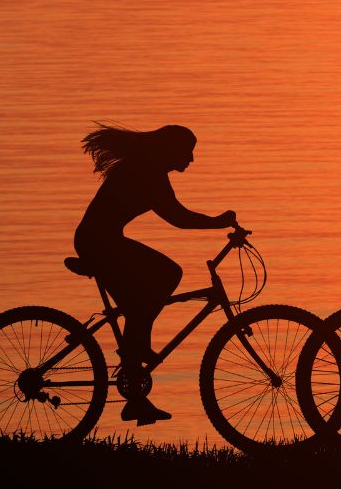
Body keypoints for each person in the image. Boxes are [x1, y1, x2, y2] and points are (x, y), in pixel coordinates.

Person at [74, 123, 237, 426]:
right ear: (170, 150)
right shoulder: (148, 174)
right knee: (164, 276)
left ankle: (135, 367)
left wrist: (216, 222)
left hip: (102, 239)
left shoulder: (149, 172)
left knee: (149, 294)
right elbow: (179, 218)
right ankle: (135, 356)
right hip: (99, 242)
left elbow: (178, 214)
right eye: (188, 152)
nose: (191, 159)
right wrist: (219, 222)